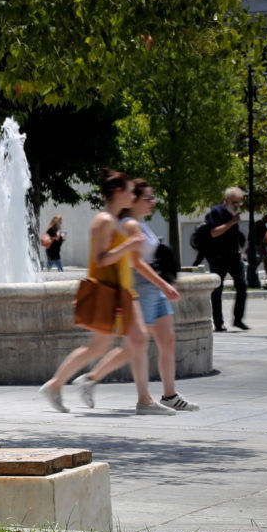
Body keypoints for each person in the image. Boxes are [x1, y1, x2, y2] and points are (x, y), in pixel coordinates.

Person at [39, 169, 175, 415]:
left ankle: (144, 400)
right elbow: (100, 260)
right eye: (131, 191)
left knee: (137, 339)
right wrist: (129, 245)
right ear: (119, 192)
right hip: (108, 290)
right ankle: (56, 384)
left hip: (122, 290)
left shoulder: (112, 220)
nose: (134, 196)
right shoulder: (103, 221)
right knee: (101, 347)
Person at [71, 180, 195, 412]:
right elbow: (136, 263)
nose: (153, 202)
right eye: (148, 198)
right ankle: (92, 378)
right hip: (142, 286)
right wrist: (164, 285)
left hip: (154, 287)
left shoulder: (141, 224)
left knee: (166, 340)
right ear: (134, 200)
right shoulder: (128, 224)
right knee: (135, 345)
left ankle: (170, 395)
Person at [204, 187, 248, 332]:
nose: (237, 205)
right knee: (217, 290)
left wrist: (241, 252)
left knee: (242, 285)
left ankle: (238, 319)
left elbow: (234, 237)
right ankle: (218, 323)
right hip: (218, 257)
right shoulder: (216, 212)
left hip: (234, 256)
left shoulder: (234, 214)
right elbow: (213, 232)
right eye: (234, 202)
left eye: (238, 203)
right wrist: (231, 223)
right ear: (226, 200)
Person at [254, 213, 267, 289]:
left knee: (264, 262)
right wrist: (264, 248)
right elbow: (261, 237)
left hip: (259, 246)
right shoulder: (261, 224)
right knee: (263, 262)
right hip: (260, 247)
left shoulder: (258, 223)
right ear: (265, 217)